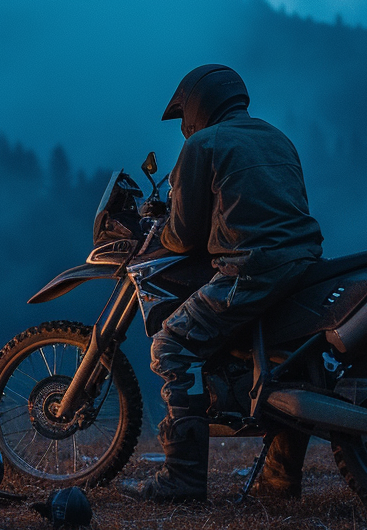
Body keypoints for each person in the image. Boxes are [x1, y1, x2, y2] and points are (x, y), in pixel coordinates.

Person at [119, 64, 324, 503]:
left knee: (172, 345)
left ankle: (184, 479)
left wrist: (165, 231)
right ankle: (280, 479)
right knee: (283, 364)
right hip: (303, 265)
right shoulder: (276, 136)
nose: (184, 126)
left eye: (183, 115)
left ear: (198, 104)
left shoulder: (203, 143)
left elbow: (183, 234)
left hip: (251, 269)